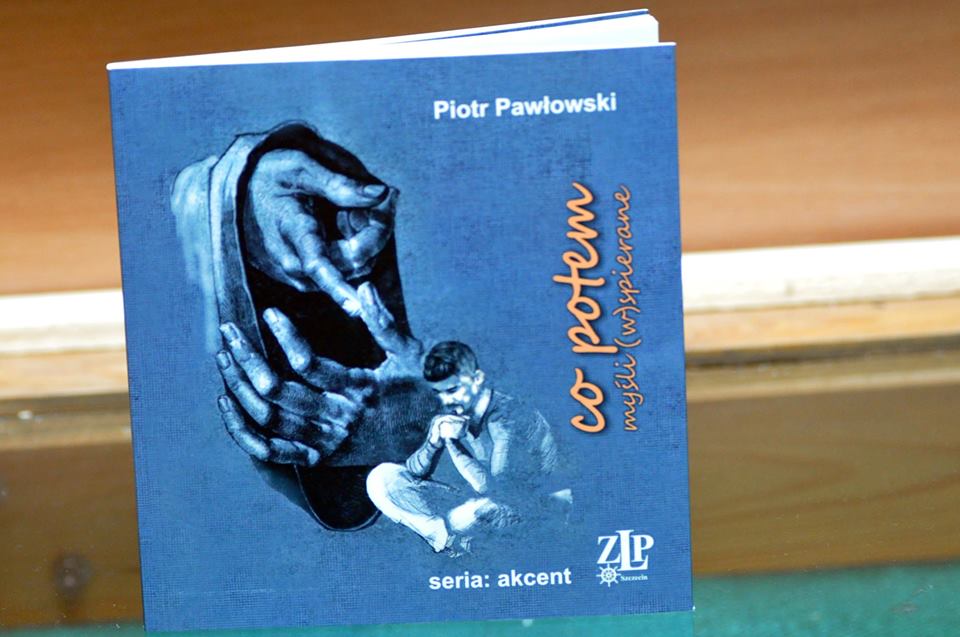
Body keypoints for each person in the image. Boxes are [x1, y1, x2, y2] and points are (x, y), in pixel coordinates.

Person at [366, 341, 567, 555]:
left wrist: (453, 445)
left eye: (453, 390)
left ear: (477, 379)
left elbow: (498, 489)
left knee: (464, 516)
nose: (446, 400)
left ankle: (465, 542)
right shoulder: (461, 410)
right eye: (439, 392)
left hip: (537, 506)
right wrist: (433, 441)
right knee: (382, 477)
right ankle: (451, 541)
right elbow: (414, 471)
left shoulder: (506, 419)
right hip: (493, 500)